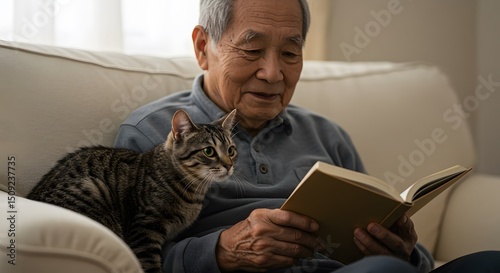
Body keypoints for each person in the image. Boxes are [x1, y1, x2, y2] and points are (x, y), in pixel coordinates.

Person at [114, 0, 500, 272]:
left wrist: (407, 252)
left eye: (290, 54)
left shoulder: (327, 135)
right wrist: (221, 252)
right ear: (203, 47)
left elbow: (408, 257)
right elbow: (121, 258)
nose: (272, 73)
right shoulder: (152, 134)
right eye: (252, 49)